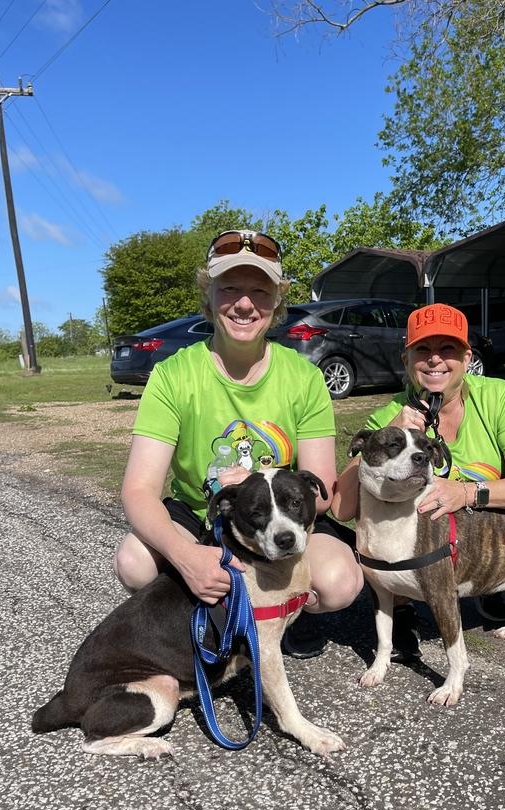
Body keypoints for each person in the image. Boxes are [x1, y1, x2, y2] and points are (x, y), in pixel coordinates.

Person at [113, 229, 363, 657]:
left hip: (282, 515)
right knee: (134, 562)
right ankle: (214, 610)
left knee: (341, 583)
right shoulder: (173, 375)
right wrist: (184, 554)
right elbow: (138, 490)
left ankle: (283, 612)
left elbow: (320, 488)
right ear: (208, 296)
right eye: (229, 288)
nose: (244, 304)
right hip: (201, 515)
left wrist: (254, 480)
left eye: (260, 291)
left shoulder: (303, 377)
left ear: (277, 302)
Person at [332, 302, 505, 658]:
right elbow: (342, 507)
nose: (435, 360)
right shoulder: (389, 418)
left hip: (494, 528)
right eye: (423, 350)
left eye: (447, 349)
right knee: (386, 538)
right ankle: (403, 606)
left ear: (467, 358)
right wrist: (393, 434)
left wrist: (465, 492)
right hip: (421, 541)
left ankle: (496, 583)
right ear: (406, 360)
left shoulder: (498, 397)